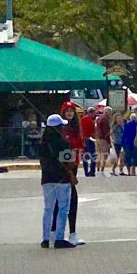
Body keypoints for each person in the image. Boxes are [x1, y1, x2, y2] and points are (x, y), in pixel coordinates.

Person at [39, 114, 75, 248]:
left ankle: (45, 238)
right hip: (62, 179)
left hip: (47, 179)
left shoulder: (42, 144)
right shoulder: (63, 142)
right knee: (63, 209)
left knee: (48, 209)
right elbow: (70, 162)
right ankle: (59, 238)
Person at [54, 102, 85, 245]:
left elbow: (80, 147)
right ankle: (55, 231)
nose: (70, 113)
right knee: (59, 200)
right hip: (62, 168)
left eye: (72, 111)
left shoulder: (76, 129)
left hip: (73, 167)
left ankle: (72, 232)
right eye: (67, 110)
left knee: (71, 199)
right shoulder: (60, 129)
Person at [80, 105, 98, 177]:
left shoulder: (82, 119)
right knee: (93, 156)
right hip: (90, 139)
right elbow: (93, 131)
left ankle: (86, 172)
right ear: (91, 113)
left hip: (83, 139)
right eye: (94, 113)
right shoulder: (91, 121)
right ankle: (92, 171)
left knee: (85, 156)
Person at [94, 107, 112, 174]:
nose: (111, 114)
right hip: (104, 139)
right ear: (107, 112)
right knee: (104, 155)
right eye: (110, 113)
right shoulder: (105, 119)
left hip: (97, 138)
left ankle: (97, 170)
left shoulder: (98, 118)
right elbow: (106, 131)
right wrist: (109, 141)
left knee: (98, 155)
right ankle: (101, 170)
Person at [122, 111, 137, 176]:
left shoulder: (127, 124)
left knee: (128, 156)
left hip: (127, 142)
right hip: (135, 142)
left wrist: (123, 143)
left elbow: (124, 134)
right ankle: (133, 171)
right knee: (134, 156)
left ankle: (129, 171)